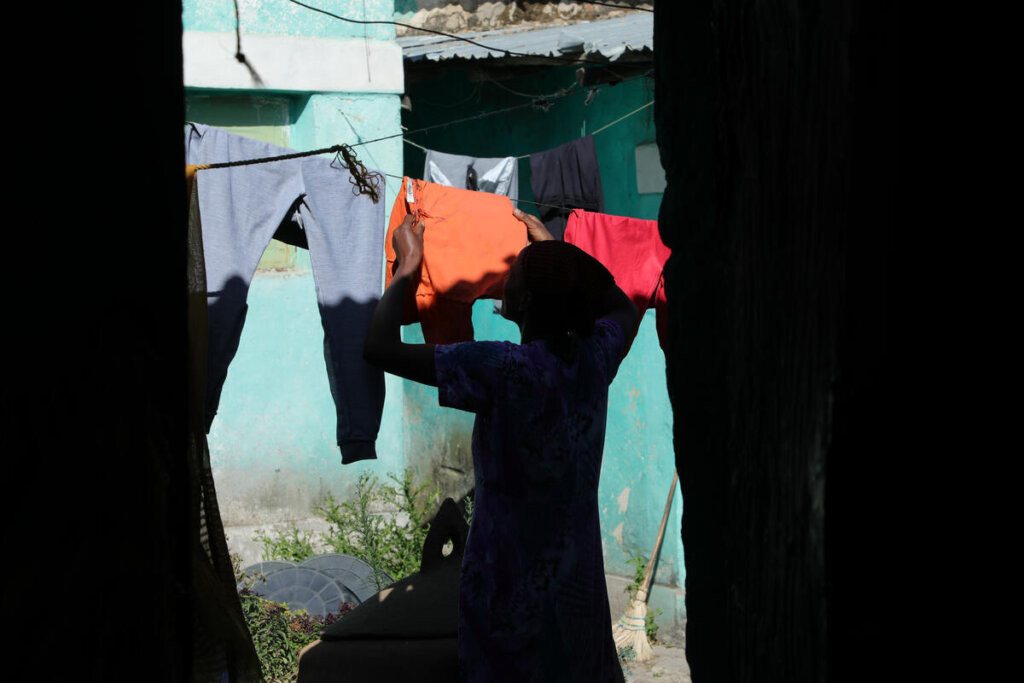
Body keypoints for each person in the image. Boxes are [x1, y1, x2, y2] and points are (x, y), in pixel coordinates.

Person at [364, 207, 639, 682]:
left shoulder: (502, 368)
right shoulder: (594, 361)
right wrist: (559, 251)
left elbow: (379, 349)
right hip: (577, 586)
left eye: (513, 271)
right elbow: (622, 308)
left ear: (525, 301)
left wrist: (407, 264)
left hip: (510, 588)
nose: (503, 278)